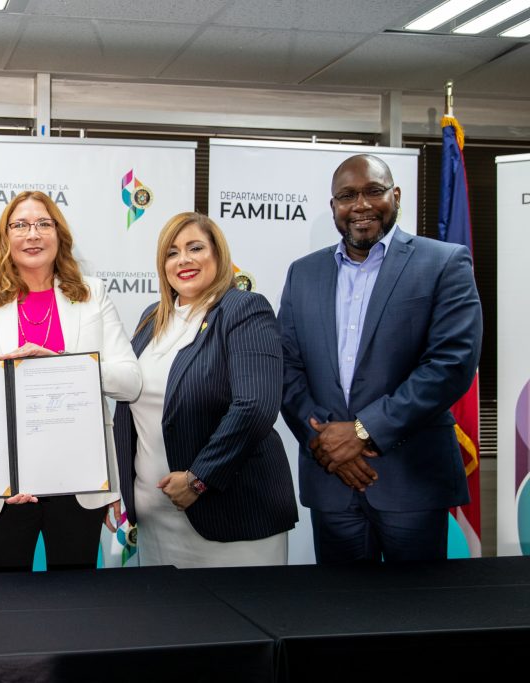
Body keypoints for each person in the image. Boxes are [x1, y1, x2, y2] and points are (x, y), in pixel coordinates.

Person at [279, 153, 482, 563]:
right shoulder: (304, 272)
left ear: (396, 195)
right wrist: (324, 442)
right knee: (340, 617)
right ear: (333, 205)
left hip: (411, 480)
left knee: (416, 616)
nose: (361, 205)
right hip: (331, 479)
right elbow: (285, 367)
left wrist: (362, 431)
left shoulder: (443, 262)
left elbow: (451, 364)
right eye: (347, 196)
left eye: (374, 191)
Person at [0, 191, 141, 573]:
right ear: (6, 238)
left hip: (79, 478)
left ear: (59, 235)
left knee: (75, 602)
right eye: (20, 225)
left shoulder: (91, 295)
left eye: (43, 224)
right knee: (4, 602)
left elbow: (130, 382)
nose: (32, 234)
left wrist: (66, 367)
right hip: (5, 484)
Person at [113, 212, 297, 568]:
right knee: (166, 623)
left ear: (218, 255)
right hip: (155, 518)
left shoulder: (243, 310)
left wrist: (199, 479)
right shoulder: (153, 318)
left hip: (228, 513)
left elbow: (255, 406)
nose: (183, 260)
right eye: (172, 252)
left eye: (195, 248)